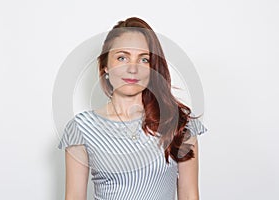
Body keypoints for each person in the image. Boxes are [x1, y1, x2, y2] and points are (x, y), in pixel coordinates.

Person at [57, 17, 208, 200]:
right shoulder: (81, 128)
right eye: (122, 57)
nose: (133, 69)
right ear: (105, 66)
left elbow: (190, 194)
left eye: (144, 59)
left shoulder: (179, 123)